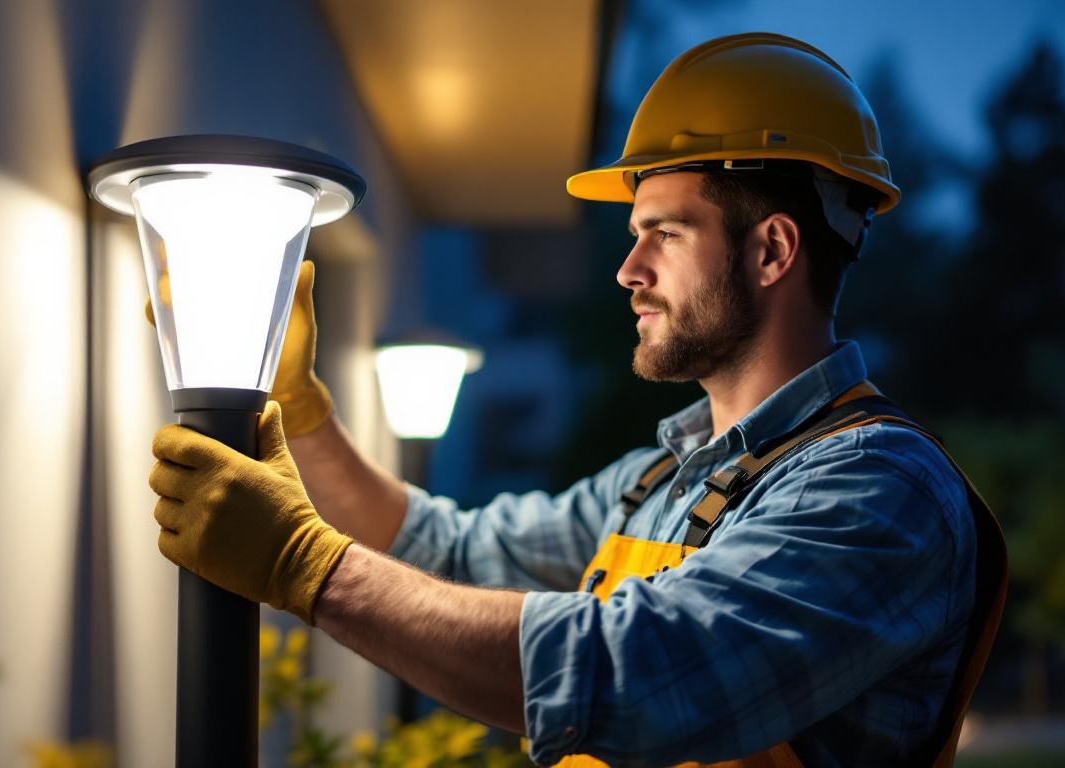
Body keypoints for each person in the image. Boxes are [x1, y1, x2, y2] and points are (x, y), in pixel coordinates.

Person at [146, 33, 1003, 767]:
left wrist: (308, 567)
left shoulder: (876, 490)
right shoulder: (658, 487)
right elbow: (440, 552)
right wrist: (302, 412)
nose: (629, 272)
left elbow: (646, 674)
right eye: (633, 237)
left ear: (773, 250)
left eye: (664, 233)